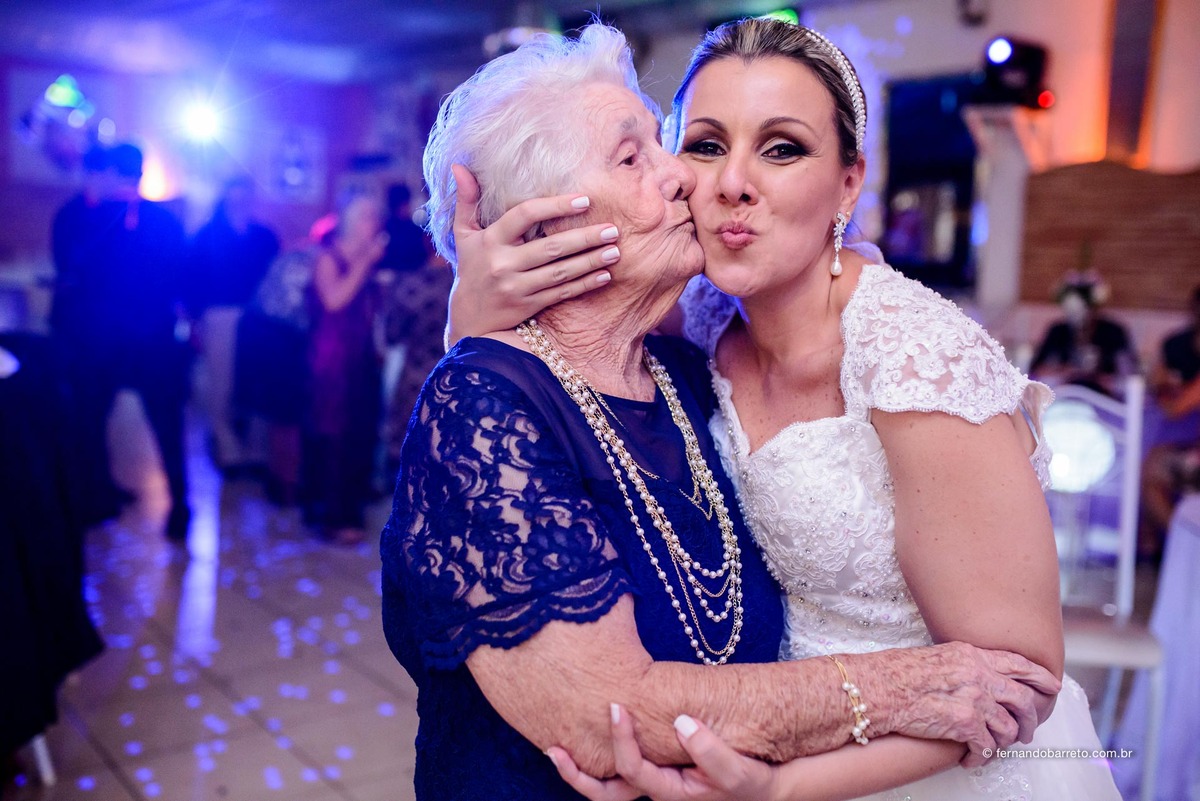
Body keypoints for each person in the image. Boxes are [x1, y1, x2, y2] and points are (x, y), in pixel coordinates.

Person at [383, 23, 1063, 801]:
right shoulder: (610, 364)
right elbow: (604, 713)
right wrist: (469, 326)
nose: (690, 179)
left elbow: (1017, 677)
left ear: (850, 183)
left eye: (782, 148)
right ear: (544, 226)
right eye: (650, 153)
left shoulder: (687, 365)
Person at [51, 142, 193, 541]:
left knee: (92, 420)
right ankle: (178, 506)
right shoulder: (163, 220)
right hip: (149, 340)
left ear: (114, 173)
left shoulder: (91, 218)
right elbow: (182, 278)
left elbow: (72, 272)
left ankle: (96, 501)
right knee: (164, 425)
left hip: (106, 342)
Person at [304, 194, 388, 545]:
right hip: (333, 357)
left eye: (375, 216)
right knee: (334, 431)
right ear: (350, 219)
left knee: (361, 429)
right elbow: (335, 301)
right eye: (367, 215)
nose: (374, 222)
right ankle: (332, 514)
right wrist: (365, 264)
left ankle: (348, 503)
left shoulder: (368, 258)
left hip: (362, 355)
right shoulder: (329, 256)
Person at [186, 174, 280, 475]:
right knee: (222, 384)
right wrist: (195, 319)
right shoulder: (208, 235)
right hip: (219, 314)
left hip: (257, 315)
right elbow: (193, 279)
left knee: (255, 382)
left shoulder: (264, 236)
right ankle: (227, 447)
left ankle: (256, 451)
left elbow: (274, 276)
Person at [1140, 284, 1200, 559]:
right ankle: (1179, 545)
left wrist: (1173, 395)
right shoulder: (1177, 343)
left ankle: (1182, 546)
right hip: (1179, 438)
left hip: (1188, 441)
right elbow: (1157, 385)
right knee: (1149, 470)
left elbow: (1177, 404)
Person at [1029, 271, 1136, 398]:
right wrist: (1066, 371)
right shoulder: (1058, 331)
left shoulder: (1114, 332)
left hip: (1106, 400)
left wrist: (1101, 378)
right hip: (1063, 395)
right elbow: (1036, 370)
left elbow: (1130, 374)